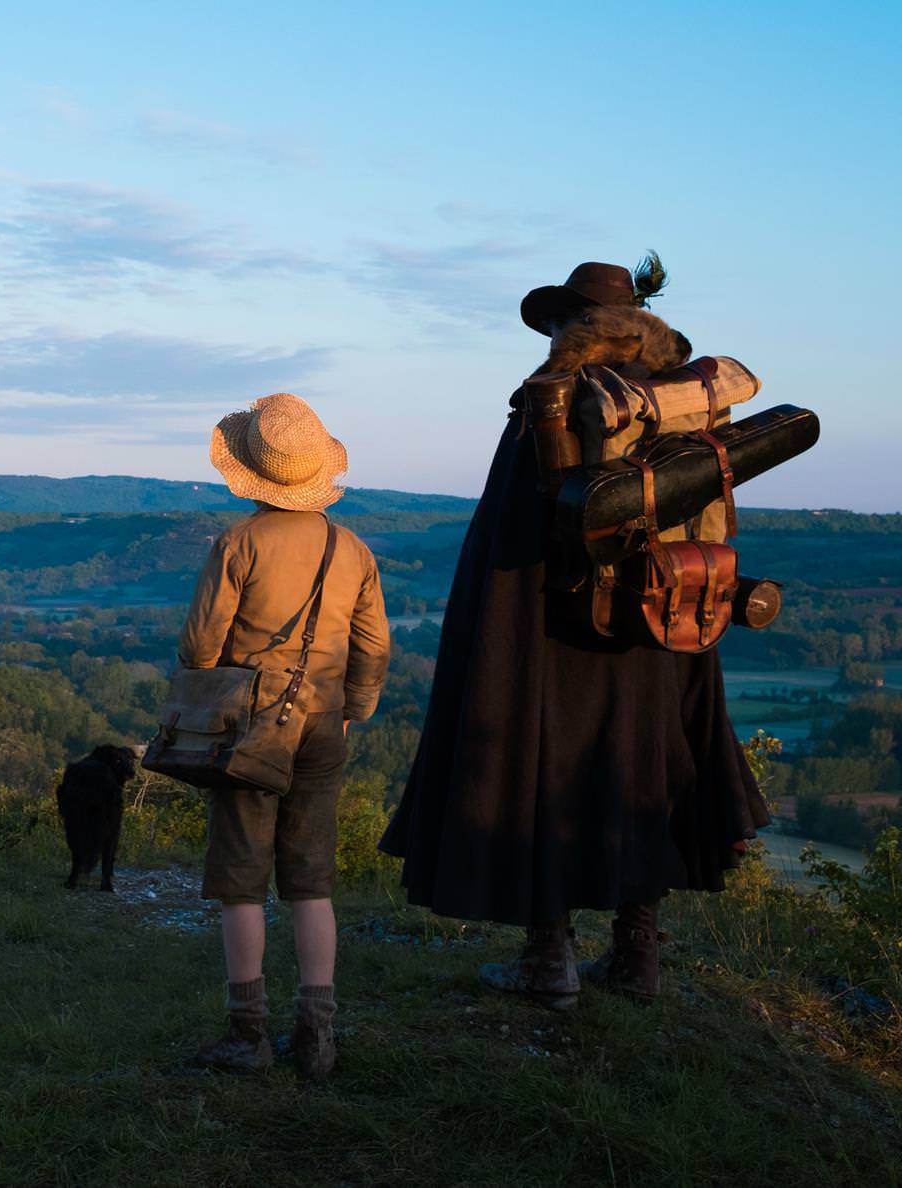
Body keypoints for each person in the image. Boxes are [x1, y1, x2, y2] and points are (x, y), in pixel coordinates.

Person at [377, 258, 770, 1009]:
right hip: (662, 625)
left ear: (573, 324)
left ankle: (548, 960)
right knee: (647, 769)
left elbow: (508, 539)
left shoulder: (555, 401)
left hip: (559, 631)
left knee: (545, 772)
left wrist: (493, 638)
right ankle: (636, 957)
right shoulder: (685, 407)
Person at [180, 393, 390, 1081]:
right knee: (311, 881)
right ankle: (317, 1035)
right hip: (325, 721)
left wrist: (212, 691)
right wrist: (354, 707)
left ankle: (248, 1035)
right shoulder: (352, 549)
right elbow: (374, 648)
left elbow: (200, 646)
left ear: (254, 472)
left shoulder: (239, 543)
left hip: (250, 726)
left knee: (242, 881)